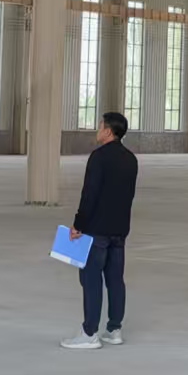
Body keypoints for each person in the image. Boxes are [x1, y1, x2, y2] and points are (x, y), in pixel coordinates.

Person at [62, 111, 138, 350]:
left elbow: (90, 194)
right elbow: (128, 196)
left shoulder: (99, 157)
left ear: (108, 131)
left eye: (100, 125)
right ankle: (114, 329)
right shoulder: (131, 159)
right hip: (120, 230)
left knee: (91, 279)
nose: (98, 129)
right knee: (115, 279)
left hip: (97, 230)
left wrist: (78, 224)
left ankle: (89, 333)